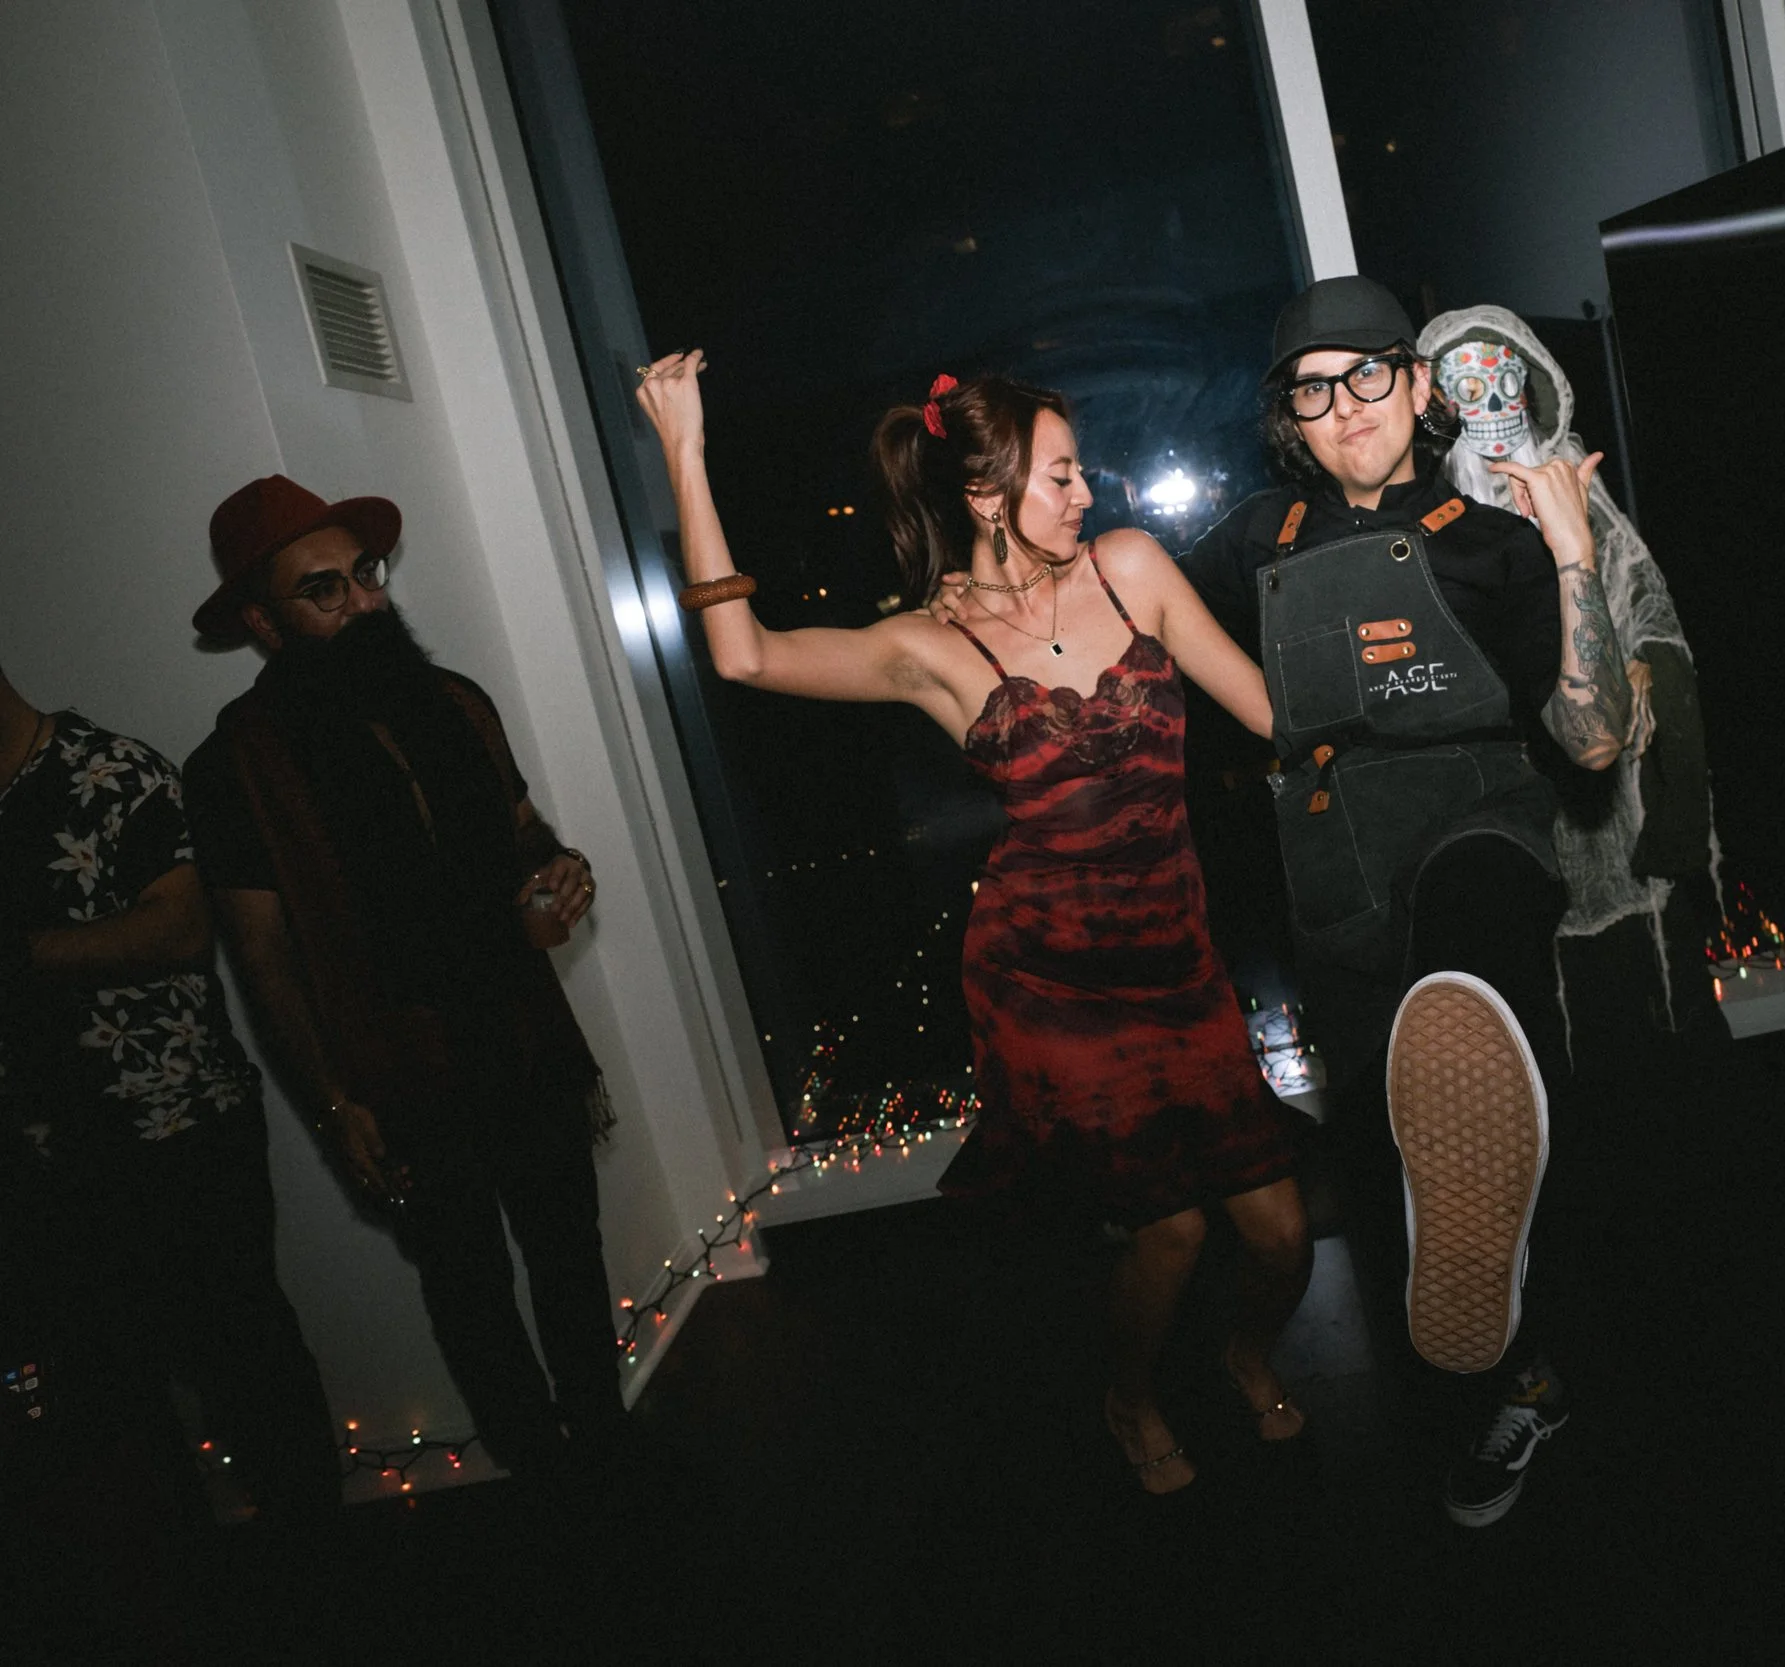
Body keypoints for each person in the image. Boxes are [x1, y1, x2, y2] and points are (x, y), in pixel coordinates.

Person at [634, 353, 1311, 1495]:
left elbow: (1273, 713)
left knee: (1280, 1231)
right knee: (1174, 1231)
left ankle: (1244, 1350)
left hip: (1179, 960)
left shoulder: (1132, 568)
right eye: (1061, 476)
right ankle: (1131, 1395)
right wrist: (683, 452)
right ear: (987, 495)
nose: (1087, 492)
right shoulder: (928, 646)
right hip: (1048, 975)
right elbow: (742, 654)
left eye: (1081, 471)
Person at [1176, 276, 1636, 1527]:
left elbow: (1591, 744)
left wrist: (1573, 548)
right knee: (1405, 1182)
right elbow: (1137, 618)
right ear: (1292, 417)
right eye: (1313, 390)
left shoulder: (1489, 539)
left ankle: (1528, 1368)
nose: (1344, 408)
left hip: (1475, 830)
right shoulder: (1252, 542)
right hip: (1332, 871)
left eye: (1368, 374)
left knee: (1473, 962)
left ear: (1418, 387)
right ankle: (1495, 1383)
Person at [181, 475, 627, 1483]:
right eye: (324, 590)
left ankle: (606, 1450)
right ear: (263, 620)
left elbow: (519, 833)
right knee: (468, 1286)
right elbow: (263, 958)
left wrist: (559, 866)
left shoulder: (454, 701)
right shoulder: (233, 768)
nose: (365, 604)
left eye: (366, 575)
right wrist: (338, 1103)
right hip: (402, 1070)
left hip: (521, 1034)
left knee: (569, 1253)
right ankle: (542, 1475)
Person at [0, 661, 337, 1532]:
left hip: (179, 1135)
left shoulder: (110, 770)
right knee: (116, 1407)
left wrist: (20, 955)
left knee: (251, 1370)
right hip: (44, 1163)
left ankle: (331, 1585)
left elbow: (184, 928)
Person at [1416, 303, 1721, 1021]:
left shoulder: (1576, 480)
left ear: (1529, 389)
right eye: (1465, 390)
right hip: (1515, 810)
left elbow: (1646, 599)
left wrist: (1646, 663)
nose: (1488, 408)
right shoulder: (1432, 523)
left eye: (1501, 385)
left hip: (1620, 809)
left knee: (1658, 1011)